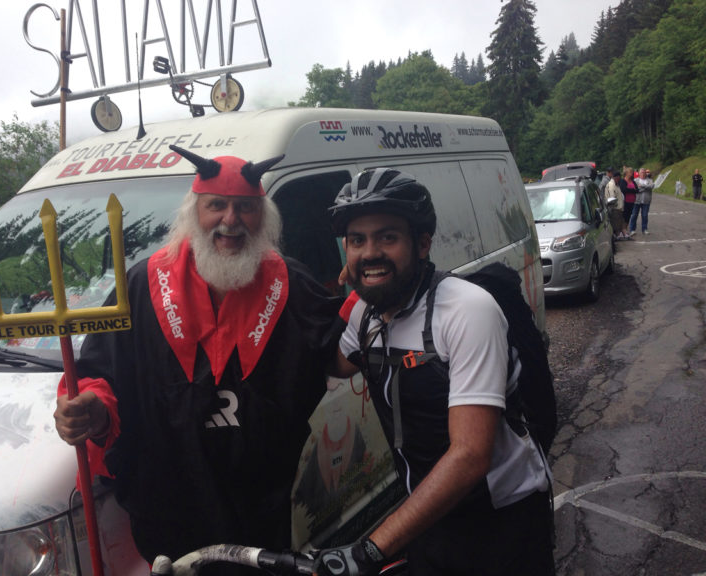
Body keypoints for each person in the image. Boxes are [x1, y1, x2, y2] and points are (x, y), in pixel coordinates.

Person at [53, 146, 343, 571]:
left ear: (263, 217)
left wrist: (371, 299)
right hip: (168, 505)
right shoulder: (141, 284)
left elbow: (339, 350)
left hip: (258, 507)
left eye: (245, 207)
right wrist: (91, 409)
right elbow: (100, 371)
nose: (231, 219)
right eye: (217, 205)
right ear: (194, 212)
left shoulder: (290, 282)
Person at [314, 169, 554, 576]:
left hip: (501, 523)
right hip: (427, 513)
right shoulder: (365, 314)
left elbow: (469, 455)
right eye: (357, 241)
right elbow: (333, 365)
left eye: (387, 237)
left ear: (422, 244)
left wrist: (371, 549)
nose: (369, 252)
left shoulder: (465, 310)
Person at [630, 168, 654, 236]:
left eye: (644, 172)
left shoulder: (650, 180)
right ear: (639, 173)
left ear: (646, 173)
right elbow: (636, 189)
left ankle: (644, 229)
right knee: (634, 215)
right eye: (641, 172)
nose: (643, 174)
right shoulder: (635, 180)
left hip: (646, 201)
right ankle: (632, 230)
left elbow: (651, 186)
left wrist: (642, 186)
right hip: (636, 201)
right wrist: (646, 188)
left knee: (645, 215)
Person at [605, 170, 626, 239]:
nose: (620, 180)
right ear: (616, 177)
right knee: (616, 224)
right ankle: (618, 235)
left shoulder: (616, 184)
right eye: (619, 178)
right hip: (615, 208)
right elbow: (612, 197)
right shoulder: (612, 185)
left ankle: (623, 234)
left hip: (619, 208)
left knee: (621, 222)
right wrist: (615, 206)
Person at [619, 167, 638, 236]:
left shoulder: (633, 181)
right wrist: (633, 190)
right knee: (624, 216)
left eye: (632, 172)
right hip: (625, 201)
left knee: (628, 216)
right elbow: (624, 189)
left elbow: (637, 190)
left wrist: (631, 190)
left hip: (632, 201)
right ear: (626, 173)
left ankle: (625, 229)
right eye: (630, 172)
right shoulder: (623, 181)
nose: (632, 173)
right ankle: (622, 230)